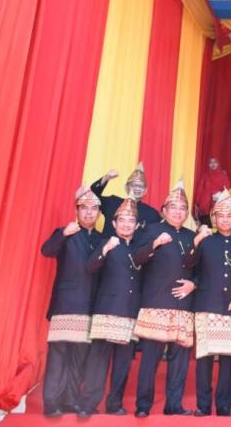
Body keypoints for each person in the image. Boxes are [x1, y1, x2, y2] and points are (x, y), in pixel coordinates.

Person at [78, 196, 155, 417]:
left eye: (131, 221)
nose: (126, 224)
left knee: (123, 364)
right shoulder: (106, 242)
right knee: (98, 361)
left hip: (130, 312)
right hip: (106, 310)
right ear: (113, 223)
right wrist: (104, 250)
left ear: (136, 225)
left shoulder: (140, 249)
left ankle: (114, 404)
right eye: (122, 220)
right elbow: (90, 268)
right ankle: (88, 404)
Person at [133, 180, 197, 417]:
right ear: (164, 210)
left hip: (183, 305)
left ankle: (174, 406)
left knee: (180, 360)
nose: (178, 211)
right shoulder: (151, 230)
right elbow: (136, 259)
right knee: (150, 359)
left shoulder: (192, 236)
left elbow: (202, 268)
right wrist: (155, 243)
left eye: (183, 208)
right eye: (173, 207)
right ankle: (143, 406)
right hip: (157, 303)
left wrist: (194, 283)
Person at [41, 186, 103, 417]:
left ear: (99, 213)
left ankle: (71, 400)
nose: (89, 212)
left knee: (79, 356)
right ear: (76, 210)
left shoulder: (101, 239)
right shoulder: (66, 232)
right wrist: (64, 234)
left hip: (89, 305)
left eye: (94, 208)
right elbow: (47, 250)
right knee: (58, 355)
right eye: (84, 208)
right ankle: (51, 402)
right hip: (66, 304)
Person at [190, 189, 231, 417]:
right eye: (220, 216)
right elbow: (190, 267)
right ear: (214, 218)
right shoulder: (205, 242)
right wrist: (196, 241)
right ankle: (203, 405)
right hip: (207, 304)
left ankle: (224, 405)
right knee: (204, 358)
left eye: (229, 216)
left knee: (228, 359)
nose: (225, 220)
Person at [90, 162, 161, 237]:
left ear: (145, 190)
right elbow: (92, 195)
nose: (137, 188)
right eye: (134, 185)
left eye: (140, 186)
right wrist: (106, 178)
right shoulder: (112, 202)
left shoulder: (152, 214)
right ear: (126, 187)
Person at [194, 157, 230, 227]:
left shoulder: (223, 176)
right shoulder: (204, 176)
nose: (213, 164)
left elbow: (226, 191)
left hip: (218, 207)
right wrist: (197, 204)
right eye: (211, 162)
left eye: (215, 162)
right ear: (208, 164)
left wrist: (218, 195)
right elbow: (199, 190)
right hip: (205, 209)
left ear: (218, 164)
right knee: (206, 228)